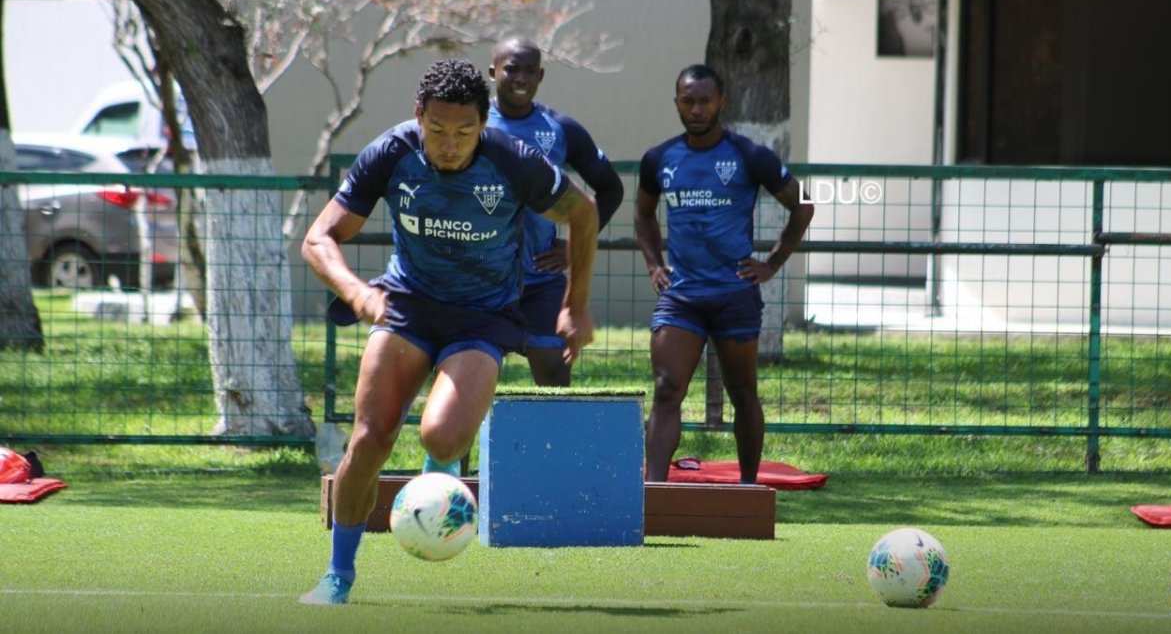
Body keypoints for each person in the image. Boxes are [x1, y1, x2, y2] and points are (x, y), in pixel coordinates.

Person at [299, 59, 598, 605]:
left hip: (483, 317)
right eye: (436, 130)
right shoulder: (392, 152)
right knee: (368, 441)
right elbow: (318, 239)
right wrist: (357, 292)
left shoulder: (513, 160)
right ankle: (337, 576)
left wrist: (576, 307)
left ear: (485, 124)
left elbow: (584, 212)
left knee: (442, 436)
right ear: (419, 117)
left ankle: (433, 495)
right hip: (408, 307)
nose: (449, 145)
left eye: (464, 132)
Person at [634, 64, 813, 485]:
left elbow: (803, 205)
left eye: (704, 100)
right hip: (682, 296)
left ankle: (748, 488)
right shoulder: (659, 158)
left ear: (721, 102)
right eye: (687, 100)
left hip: (734, 295)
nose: (696, 109)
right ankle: (654, 491)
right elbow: (642, 213)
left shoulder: (749, 155)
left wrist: (773, 262)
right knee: (666, 388)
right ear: (676, 102)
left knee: (743, 394)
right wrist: (653, 263)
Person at [487, 37, 625, 386]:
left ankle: (555, 442)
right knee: (472, 378)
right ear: (492, 73)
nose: (521, 78)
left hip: (540, 281)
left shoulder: (560, 128)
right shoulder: (471, 123)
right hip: (482, 280)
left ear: (541, 76)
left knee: (554, 375)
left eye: (530, 71)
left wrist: (571, 245)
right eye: (511, 69)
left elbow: (610, 189)